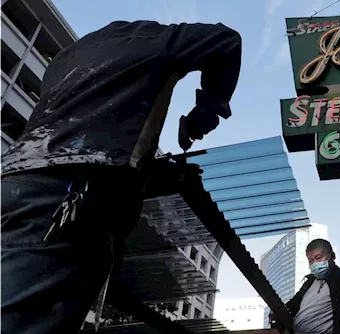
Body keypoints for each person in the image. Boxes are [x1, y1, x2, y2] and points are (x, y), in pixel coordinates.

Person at [0, 20, 242, 333]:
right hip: (67, 198)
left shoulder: (64, 60)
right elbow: (225, 40)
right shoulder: (159, 41)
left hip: (16, 183)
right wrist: (208, 109)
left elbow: (82, 135)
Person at [271, 239, 340, 334]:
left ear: (332, 256)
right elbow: (291, 305)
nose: (314, 264)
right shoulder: (308, 284)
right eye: (311, 261)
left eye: (319, 258)